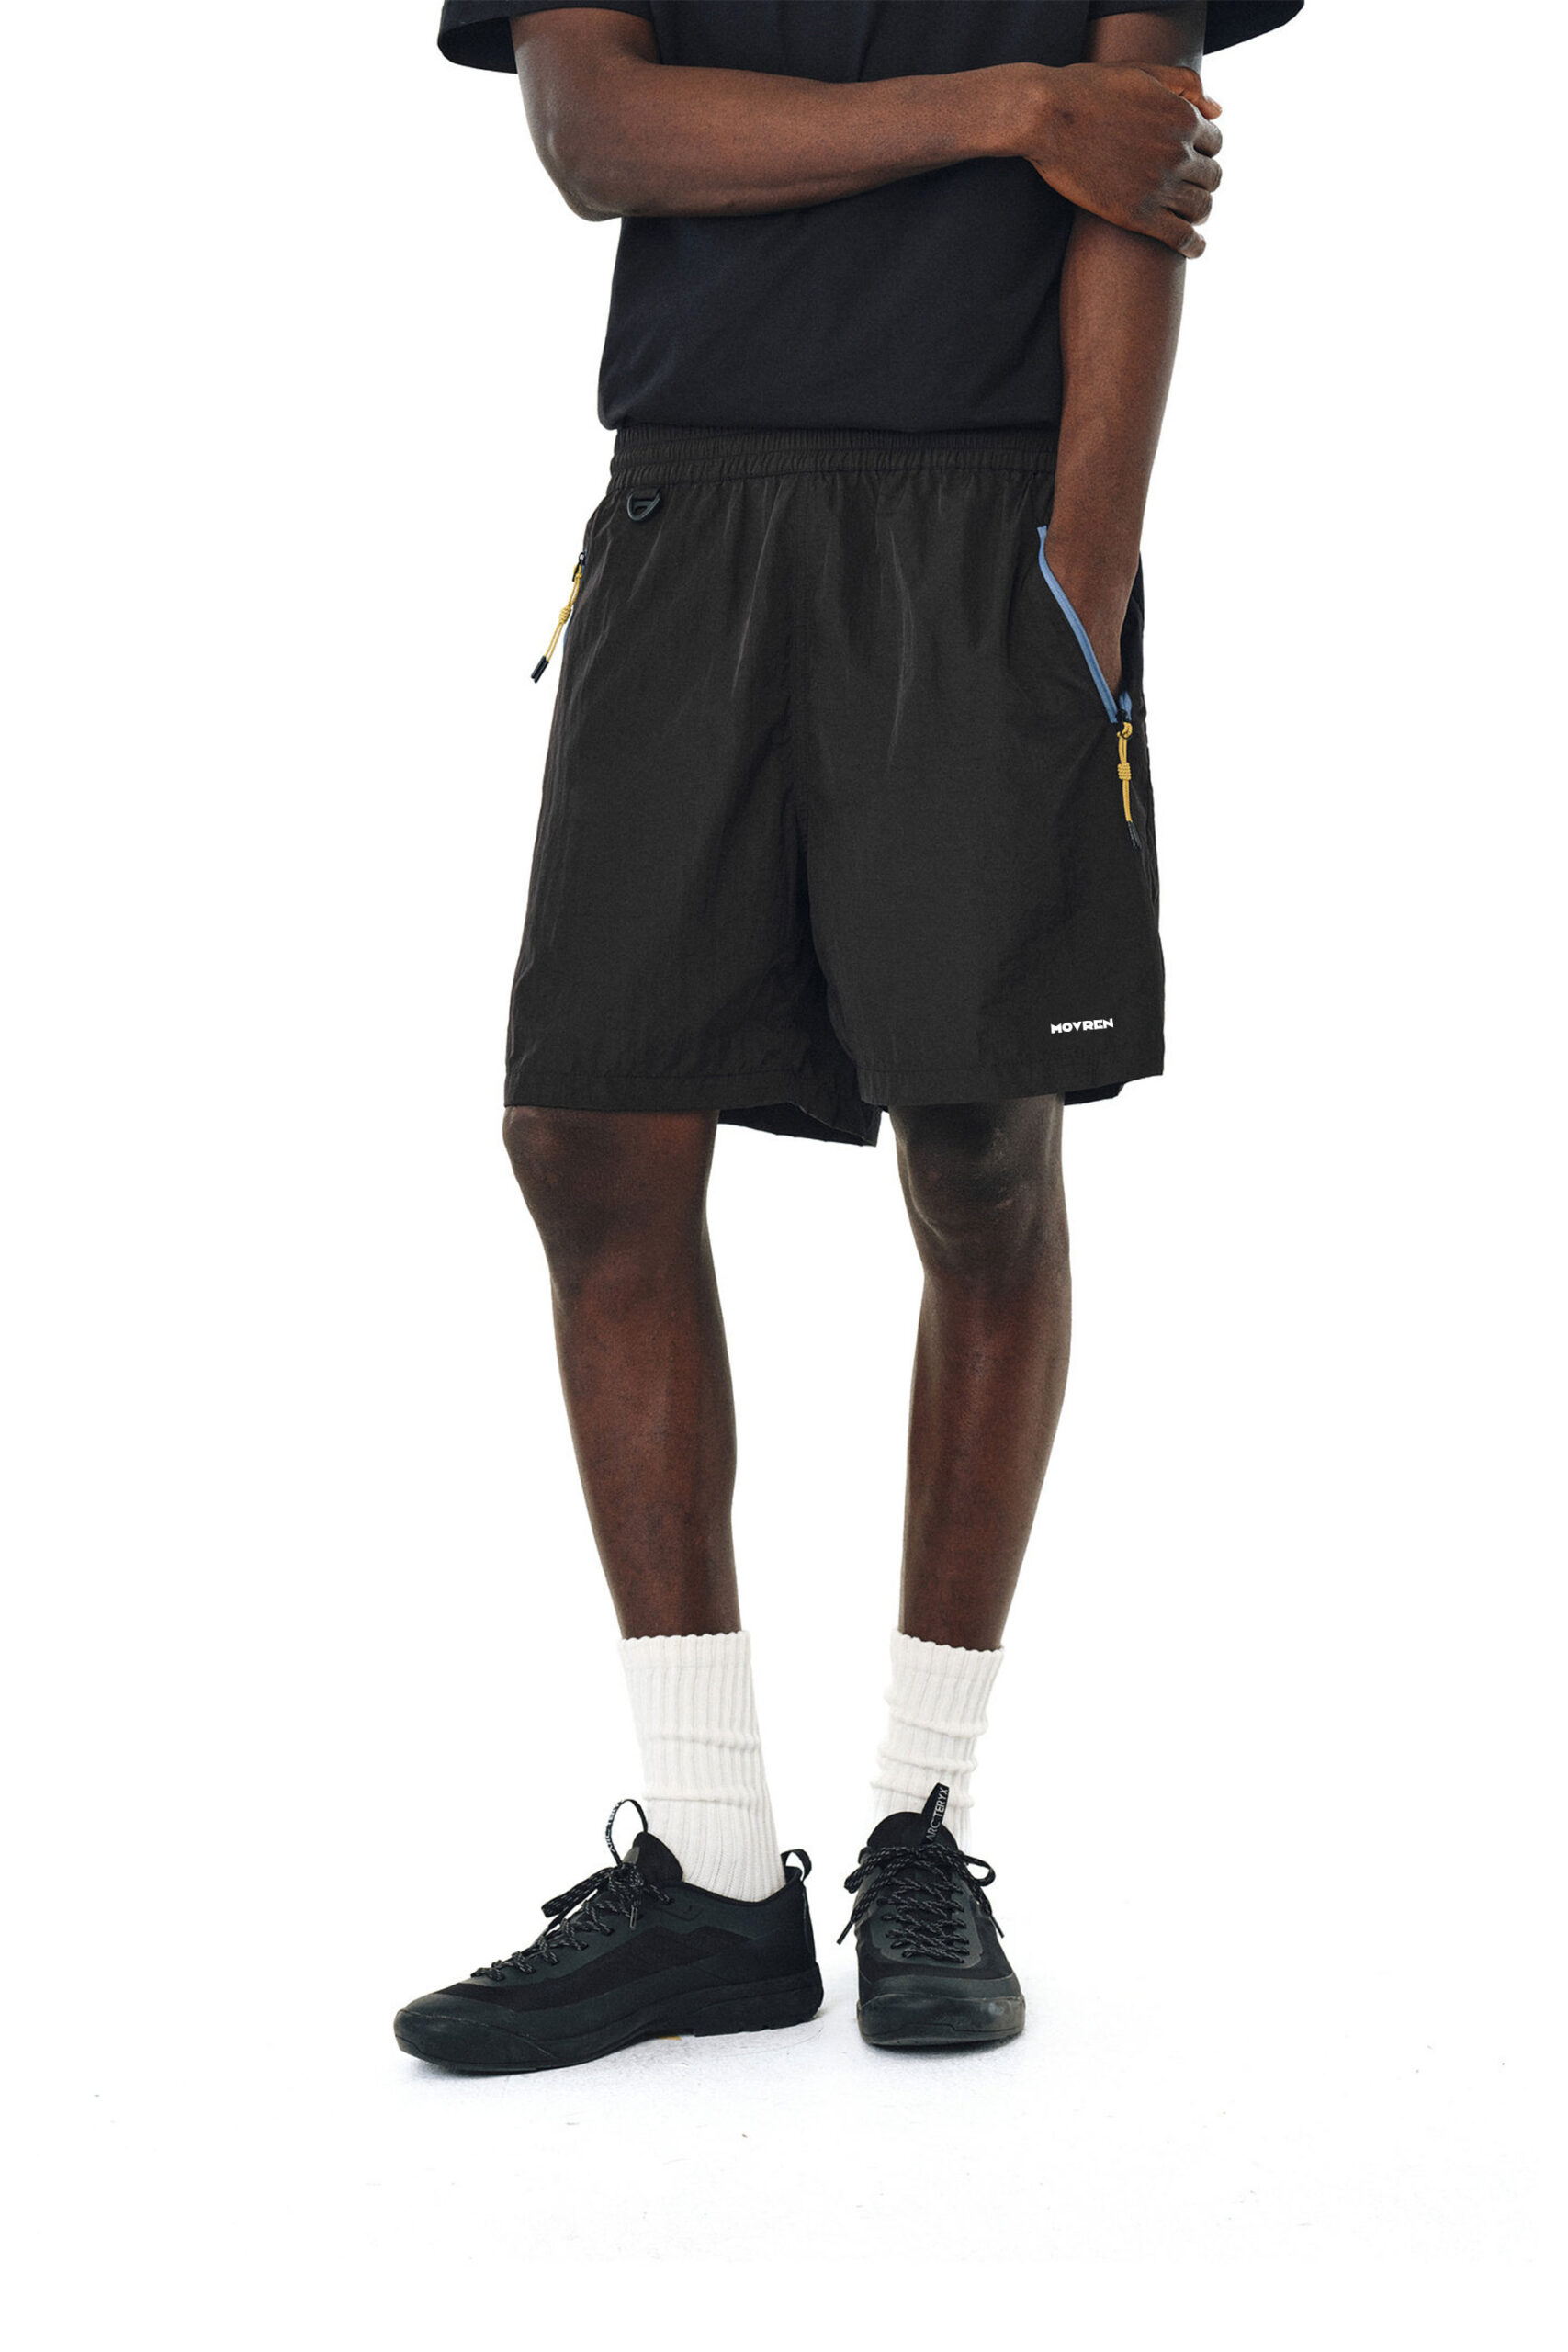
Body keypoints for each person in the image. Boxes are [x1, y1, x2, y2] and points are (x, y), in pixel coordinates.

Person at [394, 0, 1303, 2077]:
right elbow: (599, 134)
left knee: (979, 1146)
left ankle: (920, 1821)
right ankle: (715, 1875)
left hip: (990, 525)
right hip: (688, 507)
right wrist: (1008, 108)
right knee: (589, 1129)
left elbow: (1137, 165)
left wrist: (1078, 585)